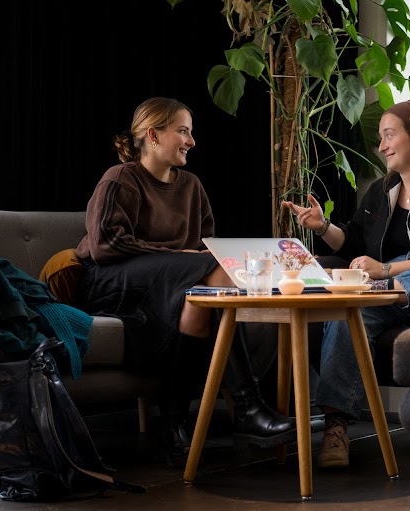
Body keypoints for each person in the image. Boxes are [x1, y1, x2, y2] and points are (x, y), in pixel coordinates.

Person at [75, 97, 296, 460]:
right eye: (182, 131)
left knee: (200, 297)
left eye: (190, 133)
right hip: (111, 281)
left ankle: (173, 422)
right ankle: (249, 407)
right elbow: (105, 245)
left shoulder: (191, 186)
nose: (191, 141)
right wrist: (182, 258)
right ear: (153, 135)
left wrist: (189, 261)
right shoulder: (120, 178)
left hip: (174, 285)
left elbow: (205, 245)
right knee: (215, 271)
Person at [281, 97, 410, 468]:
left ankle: (381, 291)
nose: (381, 146)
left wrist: (385, 272)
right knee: (349, 310)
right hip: (383, 300)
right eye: (381, 137)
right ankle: (336, 428)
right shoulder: (381, 194)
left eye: (390, 135)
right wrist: (323, 226)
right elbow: (354, 243)